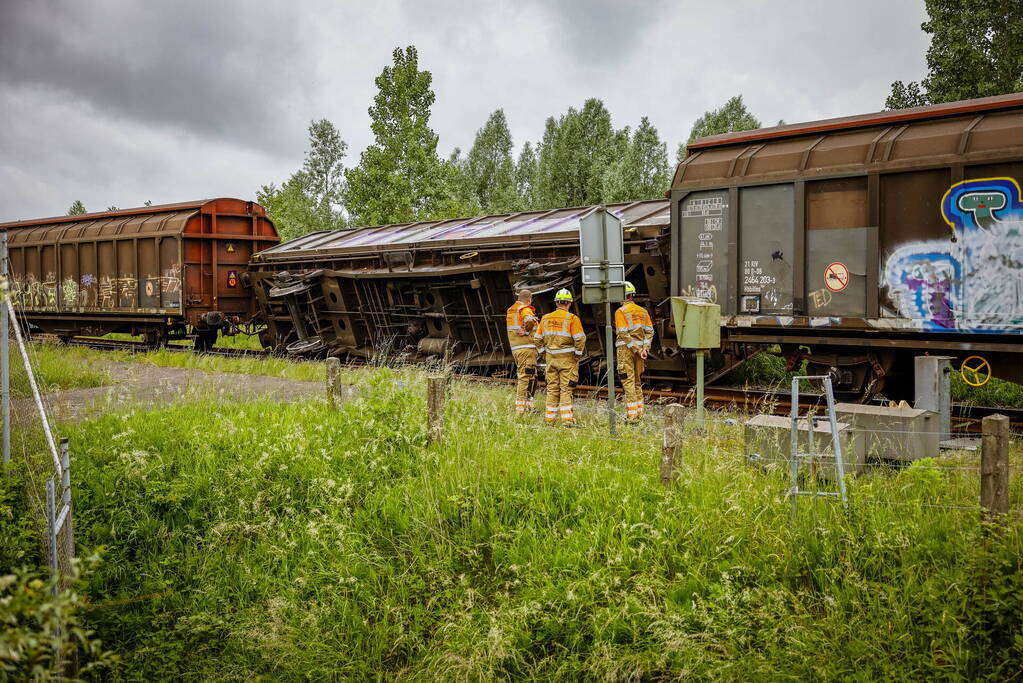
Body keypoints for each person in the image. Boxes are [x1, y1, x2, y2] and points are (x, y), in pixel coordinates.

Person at [535, 288, 586, 426]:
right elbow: (580, 339)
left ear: (556, 303)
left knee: (552, 388)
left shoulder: (545, 319)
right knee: (566, 389)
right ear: (569, 303)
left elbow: (537, 338)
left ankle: (549, 419)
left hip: (551, 360)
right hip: (567, 360)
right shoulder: (572, 319)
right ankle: (567, 420)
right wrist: (578, 354)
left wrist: (543, 353)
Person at [614, 281, 654, 423]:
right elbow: (650, 331)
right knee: (637, 381)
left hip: (626, 350)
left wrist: (636, 350)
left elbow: (623, 333)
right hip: (640, 352)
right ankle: (639, 412)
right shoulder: (643, 312)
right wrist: (644, 349)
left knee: (628, 381)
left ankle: (632, 416)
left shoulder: (620, 312)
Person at [506, 289, 539, 415]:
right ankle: (521, 411)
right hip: (526, 348)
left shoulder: (511, 310)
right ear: (529, 300)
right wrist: (526, 331)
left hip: (517, 348)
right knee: (525, 377)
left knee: (532, 376)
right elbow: (529, 320)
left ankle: (529, 407)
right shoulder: (524, 308)